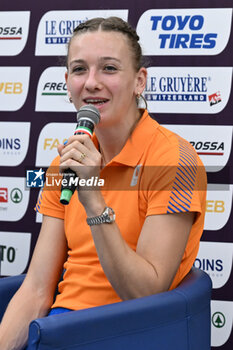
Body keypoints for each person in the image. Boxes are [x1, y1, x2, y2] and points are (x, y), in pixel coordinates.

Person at [0, 16, 207, 349]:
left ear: (140, 81)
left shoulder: (174, 159)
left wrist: (93, 199)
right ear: (67, 82)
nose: (91, 83)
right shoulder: (63, 163)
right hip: (59, 330)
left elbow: (144, 293)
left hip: (130, 333)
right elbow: (38, 288)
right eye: (80, 70)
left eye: (109, 68)